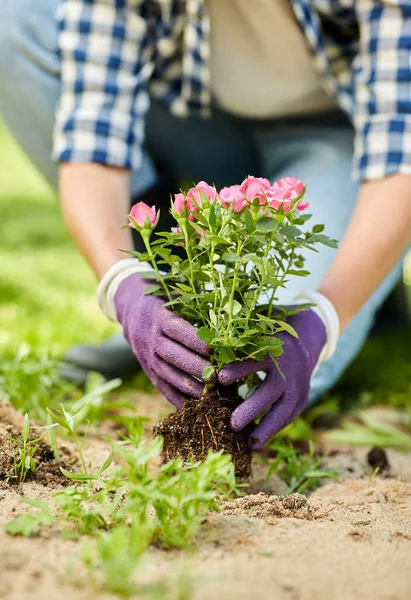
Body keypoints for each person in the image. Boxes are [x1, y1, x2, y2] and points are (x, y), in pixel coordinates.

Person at [1, 0, 410, 447]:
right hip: (200, 122)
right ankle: (179, 314)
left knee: (262, 357)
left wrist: (326, 317)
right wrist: (124, 288)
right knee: (13, 22)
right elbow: (93, 138)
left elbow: (401, 156)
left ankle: (368, 288)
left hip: (338, 137)